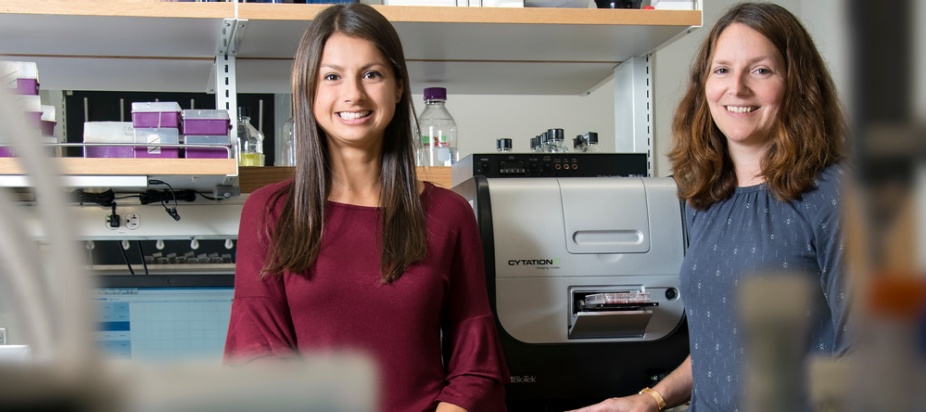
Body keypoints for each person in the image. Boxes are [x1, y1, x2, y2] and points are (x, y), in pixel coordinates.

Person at [223, 4, 509, 411]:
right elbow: (257, 355)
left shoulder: (449, 214)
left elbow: (475, 368)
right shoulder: (268, 212)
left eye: (371, 74)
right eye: (332, 76)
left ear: (396, 86)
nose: (352, 94)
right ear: (309, 89)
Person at [568, 3, 852, 411]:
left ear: (798, 84)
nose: (736, 88)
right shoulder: (705, 198)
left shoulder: (835, 192)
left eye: (761, 70)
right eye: (721, 70)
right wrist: (650, 399)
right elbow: (722, 348)